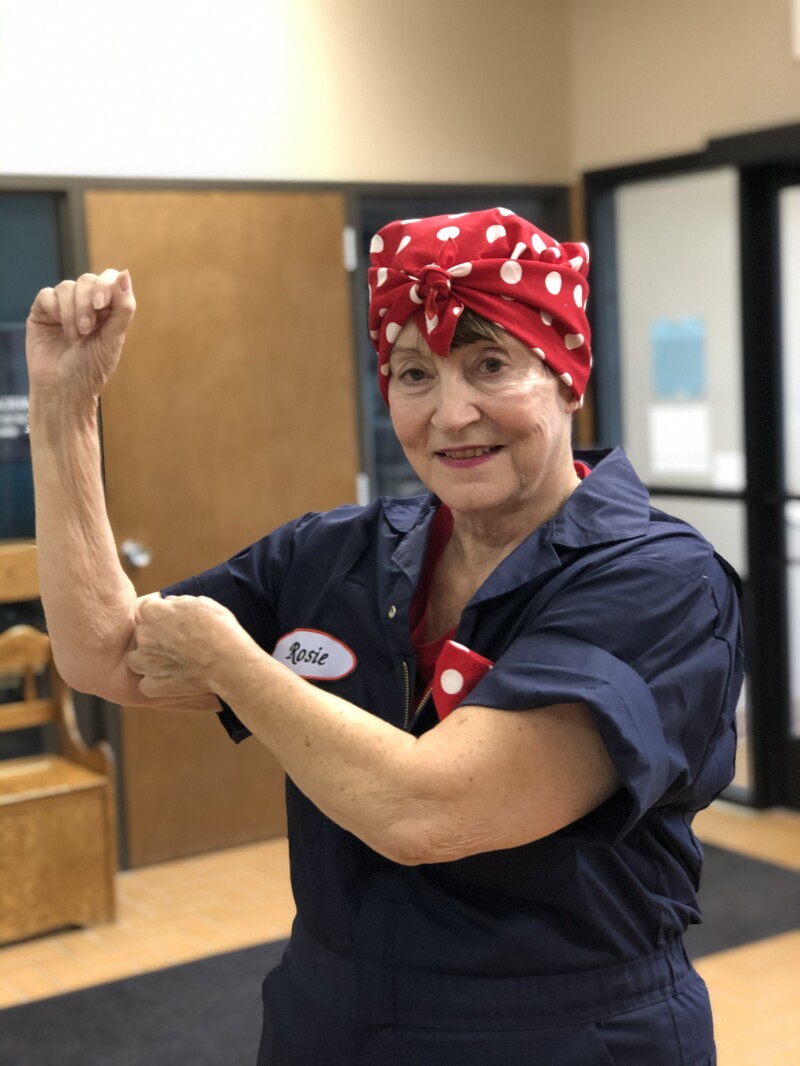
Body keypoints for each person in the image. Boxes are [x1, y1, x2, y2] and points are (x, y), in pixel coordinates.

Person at [26, 207, 743, 1065]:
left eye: (490, 365)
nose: (451, 413)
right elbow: (104, 655)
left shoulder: (659, 581)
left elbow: (431, 810)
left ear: (568, 372)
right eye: (413, 375)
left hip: (565, 1031)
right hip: (331, 1017)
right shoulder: (334, 554)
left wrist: (233, 662)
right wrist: (65, 412)